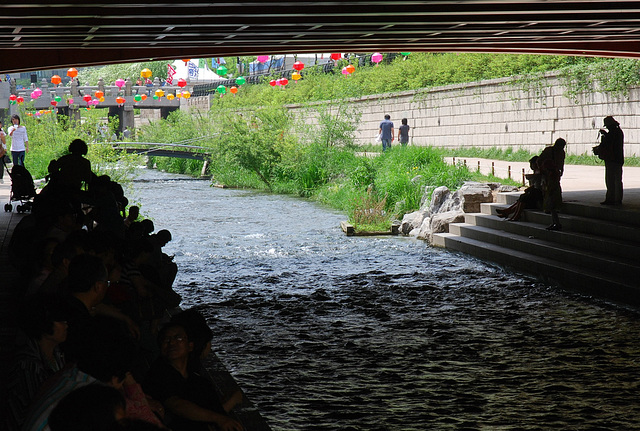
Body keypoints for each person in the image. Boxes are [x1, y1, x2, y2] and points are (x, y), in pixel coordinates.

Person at [143, 322, 243, 431]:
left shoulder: (199, 381)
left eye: (178, 338)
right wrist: (219, 418)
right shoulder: (157, 374)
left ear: (190, 346)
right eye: (166, 340)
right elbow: (175, 404)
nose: (172, 343)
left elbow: (217, 412)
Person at [496, 156, 543, 221]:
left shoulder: (541, 172)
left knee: (523, 198)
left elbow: (538, 186)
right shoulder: (536, 171)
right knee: (521, 198)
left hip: (539, 194)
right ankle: (509, 212)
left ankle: (513, 214)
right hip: (535, 192)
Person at [593, 116, 624, 205]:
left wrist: (605, 135)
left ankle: (614, 199)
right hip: (615, 159)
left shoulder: (614, 133)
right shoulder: (617, 132)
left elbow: (609, 144)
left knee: (613, 180)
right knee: (614, 180)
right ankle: (614, 199)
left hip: (613, 159)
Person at [537, 138, 566, 231]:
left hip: (551, 177)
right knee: (552, 200)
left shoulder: (555, 151)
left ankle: (556, 222)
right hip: (551, 177)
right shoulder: (552, 151)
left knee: (552, 200)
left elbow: (539, 161)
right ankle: (555, 222)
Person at [0, 119, 7, 183]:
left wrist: (5, 149)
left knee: (1, 164)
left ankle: (1, 177)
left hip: (0, 149)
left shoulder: (2, 132)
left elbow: (4, 142)